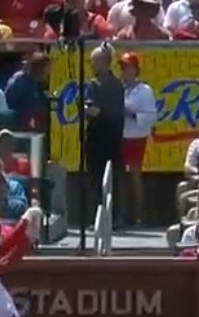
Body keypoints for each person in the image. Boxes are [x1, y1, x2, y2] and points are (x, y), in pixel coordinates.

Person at [83, 45, 124, 220]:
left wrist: (96, 111)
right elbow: (88, 107)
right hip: (94, 138)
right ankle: (97, 216)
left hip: (111, 137)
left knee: (110, 179)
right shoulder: (92, 84)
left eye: (95, 61)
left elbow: (104, 111)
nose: (93, 64)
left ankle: (113, 218)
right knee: (94, 179)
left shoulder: (116, 85)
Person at [119, 52, 156, 227]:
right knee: (120, 178)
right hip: (119, 136)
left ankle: (139, 216)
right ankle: (122, 214)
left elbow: (151, 117)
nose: (125, 71)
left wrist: (131, 114)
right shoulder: (118, 88)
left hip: (136, 137)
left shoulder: (145, 90)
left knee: (135, 177)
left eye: (128, 68)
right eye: (123, 68)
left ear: (136, 70)